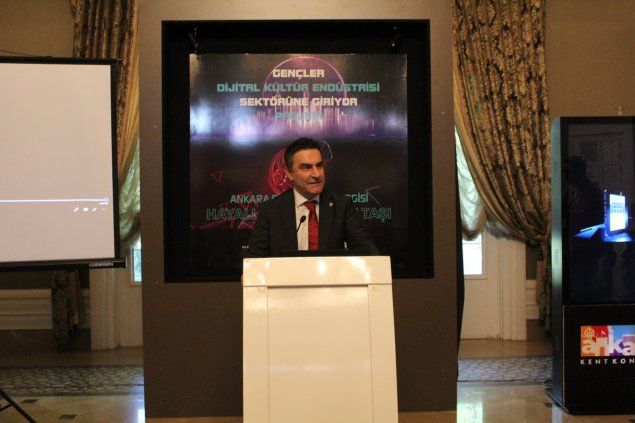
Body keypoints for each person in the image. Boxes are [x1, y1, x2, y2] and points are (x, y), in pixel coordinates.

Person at [245, 137, 378, 257]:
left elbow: (366, 250)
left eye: (319, 166)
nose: (316, 174)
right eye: (306, 168)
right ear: (289, 173)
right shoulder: (271, 210)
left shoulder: (342, 206)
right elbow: (255, 259)